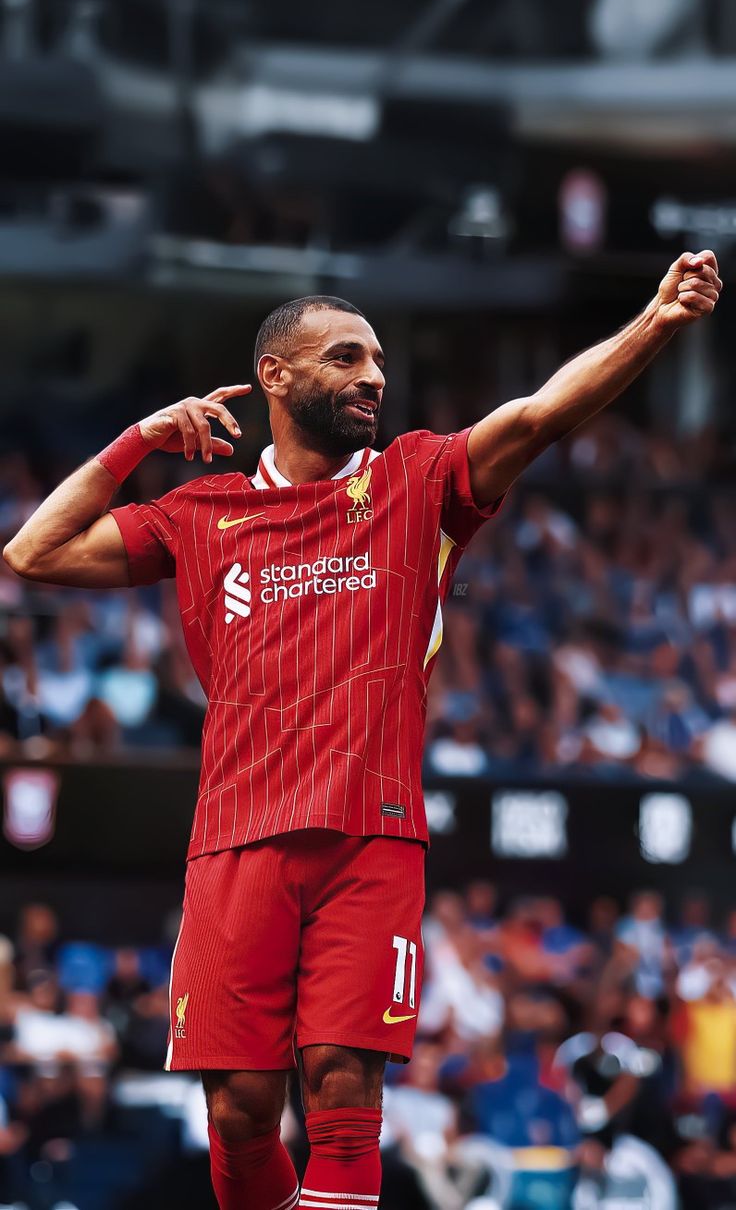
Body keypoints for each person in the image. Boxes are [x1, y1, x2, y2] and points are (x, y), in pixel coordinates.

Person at [3, 252, 722, 1210]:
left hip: (371, 835)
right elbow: (32, 550)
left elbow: (542, 413)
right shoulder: (200, 512)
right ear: (277, 377)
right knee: (241, 1113)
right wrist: (141, 437)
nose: (373, 377)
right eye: (346, 358)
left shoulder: (418, 481)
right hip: (234, 838)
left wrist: (658, 322)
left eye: (378, 360)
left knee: (344, 1090)